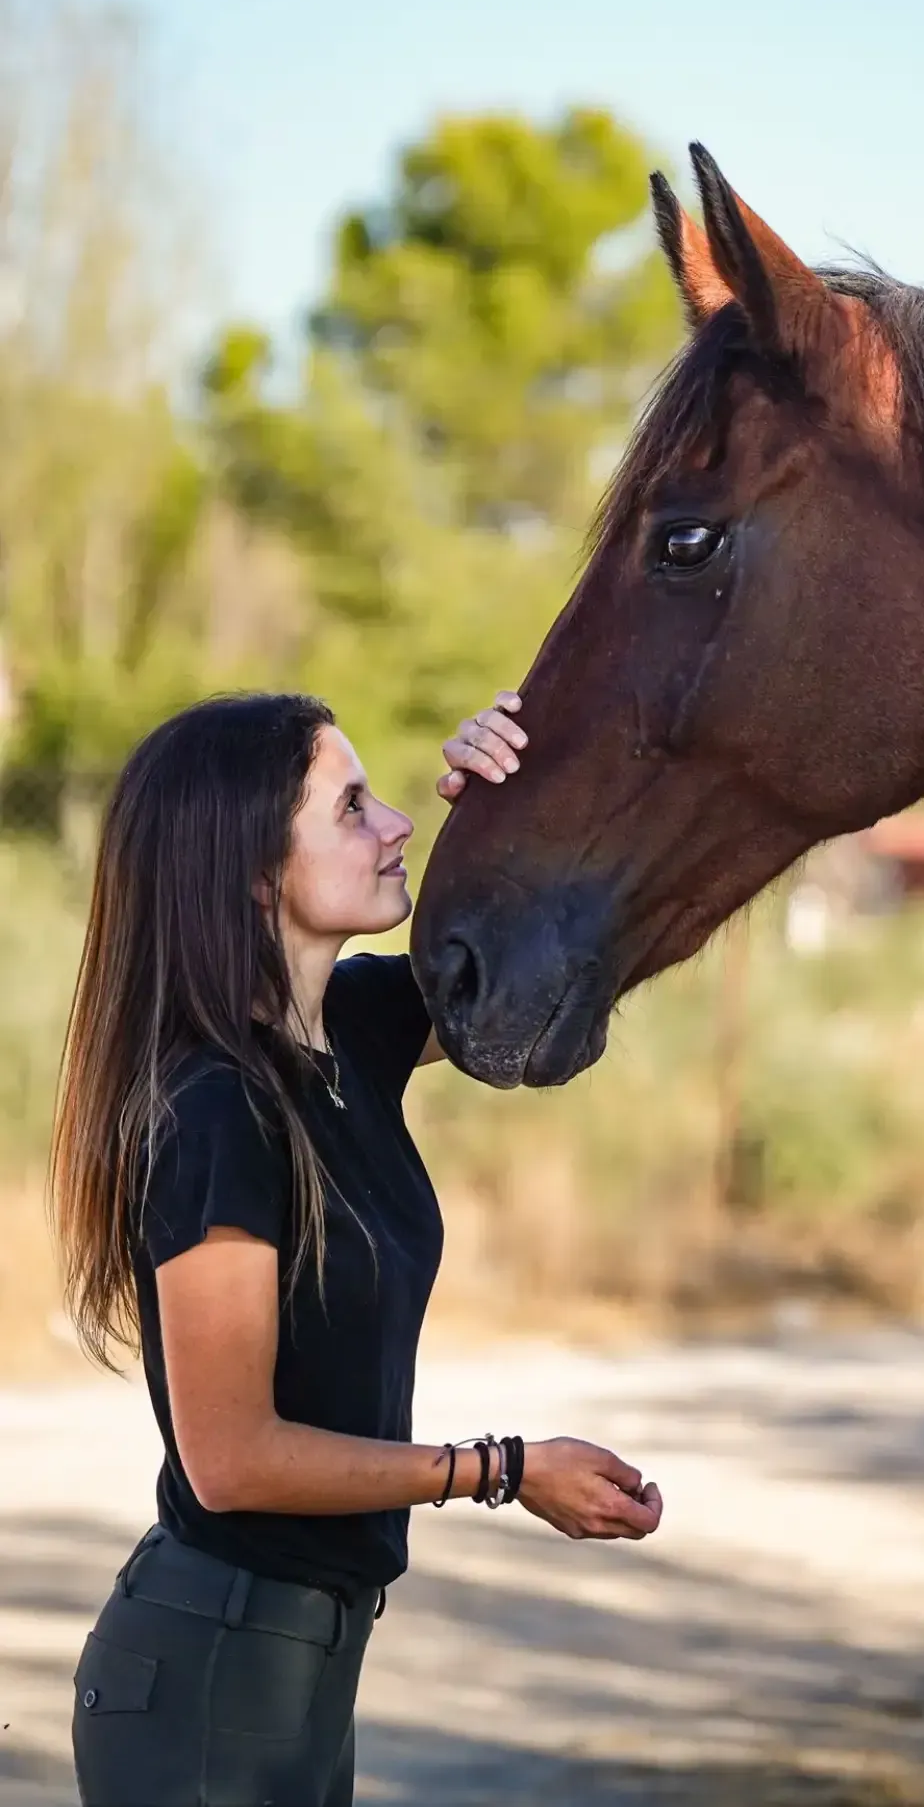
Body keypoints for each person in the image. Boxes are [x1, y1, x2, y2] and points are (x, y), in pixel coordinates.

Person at [50, 687, 662, 1807]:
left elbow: (547, 952)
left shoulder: (354, 1036)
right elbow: (230, 1461)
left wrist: (515, 791)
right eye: (352, 808)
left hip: (301, 1673)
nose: (396, 826)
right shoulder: (215, 1112)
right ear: (250, 872)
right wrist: (505, 1470)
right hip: (212, 1675)